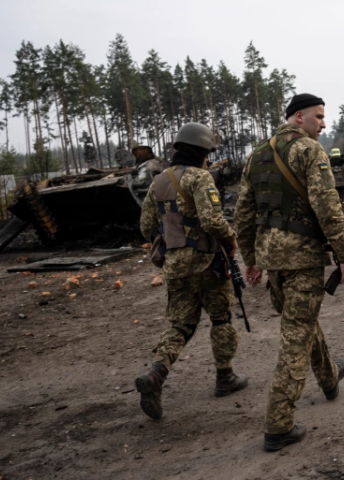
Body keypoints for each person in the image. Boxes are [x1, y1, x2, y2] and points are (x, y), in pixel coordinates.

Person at [234, 93, 344, 451]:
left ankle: (329, 376)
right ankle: (278, 424)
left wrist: (252, 258)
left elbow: (243, 212)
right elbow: (327, 206)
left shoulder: (257, 154)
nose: (324, 123)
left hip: (273, 261)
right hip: (302, 260)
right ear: (299, 118)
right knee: (295, 338)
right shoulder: (309, 151)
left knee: (299, 324)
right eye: (319, 117)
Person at [135, 122, 248, 421]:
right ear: (202, 152)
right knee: (221, 318)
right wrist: (231, 239)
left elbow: (146, 227)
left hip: (174, 266)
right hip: (207, 262)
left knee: (181, 326)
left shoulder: (158, 181)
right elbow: (212, 220)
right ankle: (225, 378)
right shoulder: (201, 178)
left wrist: (174, 239)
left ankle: (155, 376)